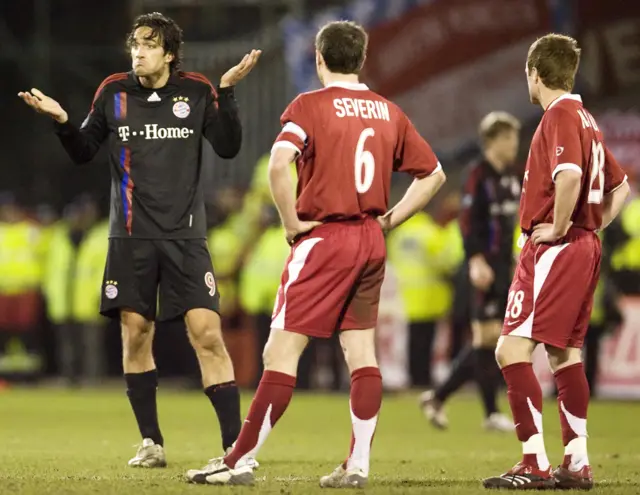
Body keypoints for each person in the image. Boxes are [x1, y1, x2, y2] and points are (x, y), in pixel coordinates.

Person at [187, 20, 446, 487]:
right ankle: (358, 464)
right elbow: (434, 175)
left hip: (325, 238)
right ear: (362, 60)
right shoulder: (388, 111)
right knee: (361, 351)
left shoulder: (309, 106)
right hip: (370, 239)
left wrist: (290, 222)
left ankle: (236, 461)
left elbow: (279, 163)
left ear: (319, 58)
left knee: (281, 351)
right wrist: (390, 219)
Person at [18, 12, 261, 468]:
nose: (139, 52)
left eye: (149, 45)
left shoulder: (196, 90)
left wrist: (227, 93)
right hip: (130, 237)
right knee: (135, 334)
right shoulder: (114, 91)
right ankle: (151, 442)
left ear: (169, 53)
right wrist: (63, 121)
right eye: (135, 45)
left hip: (186, 236)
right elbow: (83, 151)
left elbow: (228, 146)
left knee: (207, 334)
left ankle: (235, 448)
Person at [482, 34, 629, 490]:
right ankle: (576, 461)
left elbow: (569, 176)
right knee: (565, 354)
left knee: (510, 349)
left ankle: (533, 462)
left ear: (535, 72)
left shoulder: (560, 115)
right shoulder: (587, 120)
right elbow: (620, 188)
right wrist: (594, 224)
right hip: (585, 247)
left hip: (558, 248)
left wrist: (562, 226)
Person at [421, 112, 521, 432]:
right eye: (508, 138)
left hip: (503, 267)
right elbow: (467, 222)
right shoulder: (477, 174)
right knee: (487, 339)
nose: (514, 144)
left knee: (489, 341)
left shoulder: (511, 177)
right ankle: (487, 412)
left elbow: (509, 225)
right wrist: (476, 259)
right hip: (483, 267)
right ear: (492, 140)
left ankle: (439, 398)